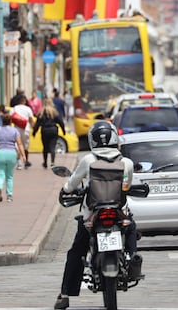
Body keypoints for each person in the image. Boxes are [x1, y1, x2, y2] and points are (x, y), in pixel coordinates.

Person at [55, 121, 138, 310]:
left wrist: (66, 189)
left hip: (93, 214)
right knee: (131, 227)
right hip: (118, 212)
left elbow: (71, 184)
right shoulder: (127, 163)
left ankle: (65, 295)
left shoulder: (88, 160)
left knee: (77, 251)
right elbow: (127, 186)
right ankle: (133, 257)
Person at [0, 113, 26, 202]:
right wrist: (23, 155)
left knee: (0, 173)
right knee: (9, 176)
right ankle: (9, 195)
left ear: (2, 121)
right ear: (10, 121)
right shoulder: (14, 131)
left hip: (0, 153)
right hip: (11, 153)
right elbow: (19, 143)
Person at [34, 98, 66, 169]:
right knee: (52, 147)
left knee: (45, 147)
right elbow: (61, 122)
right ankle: (52, 162)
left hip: (45, 130)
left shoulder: (41, 112)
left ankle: (45, 162)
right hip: (53, 130)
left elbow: (37, 123)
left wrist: (34, 132)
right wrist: (63, 130)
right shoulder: (54, 112)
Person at [11, 93, 34, 169]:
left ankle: (19, 163)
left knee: (17, 146)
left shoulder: (14, 108)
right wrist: (34, 128)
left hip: (16, 130)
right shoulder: (28, 109)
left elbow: (10, 118)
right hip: (26, 130)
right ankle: (26, 161)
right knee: (25, 147)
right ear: (24, 101)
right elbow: (31, 120)